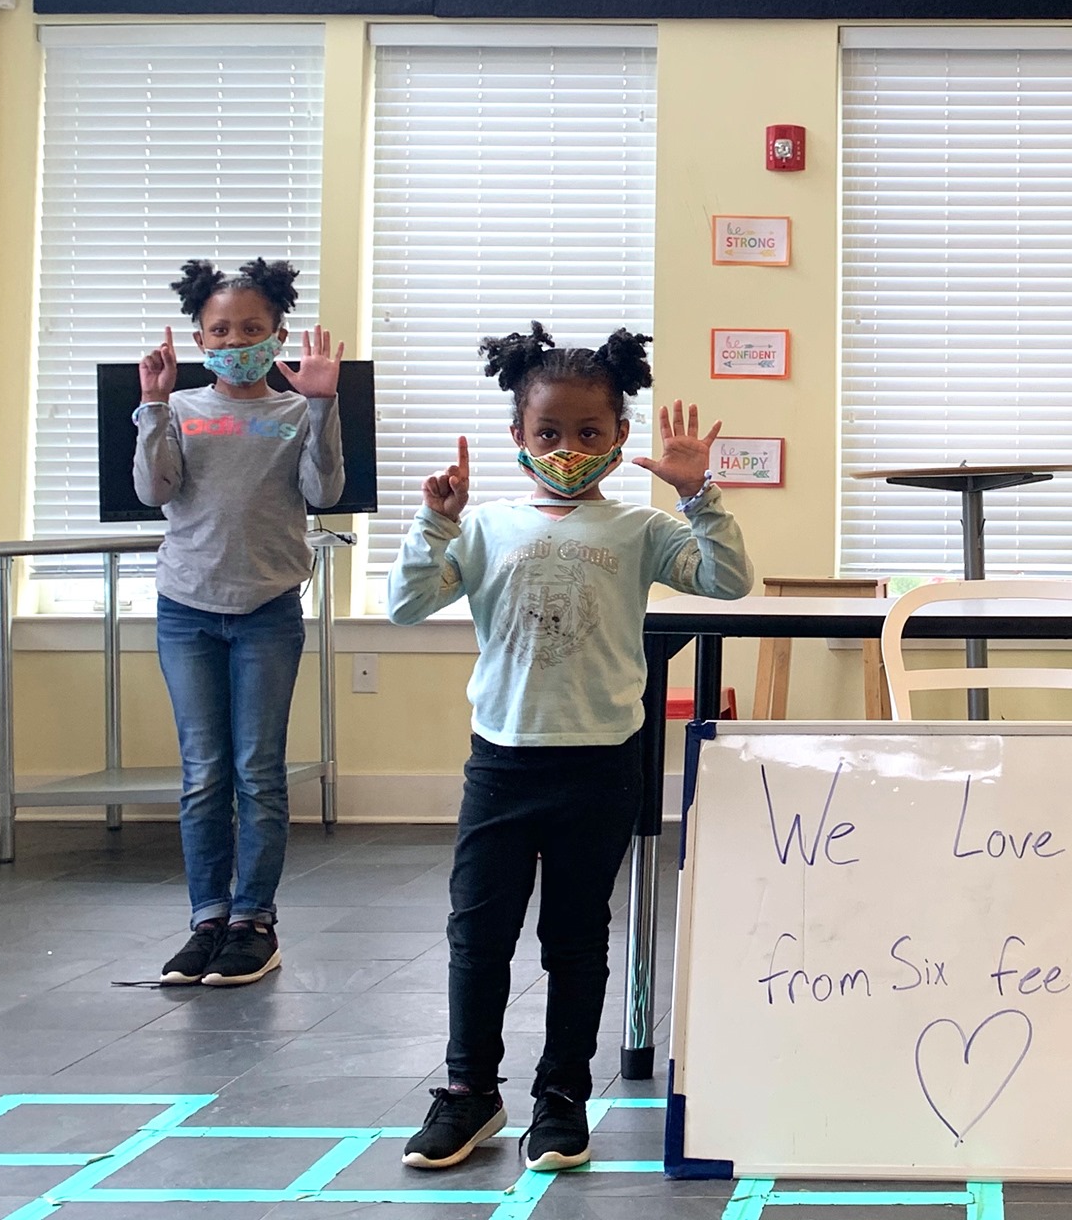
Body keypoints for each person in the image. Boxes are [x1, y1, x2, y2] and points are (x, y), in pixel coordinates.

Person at [388, 323, 752, 1175]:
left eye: (590, 432)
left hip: (600, 763)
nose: (567, 448)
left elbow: (727, 582)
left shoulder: (637, 530)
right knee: (478, 934)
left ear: (620, 440)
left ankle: (562, 1098)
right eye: (548, 432)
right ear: (519, 435)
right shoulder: (483, 530)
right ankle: (470, 1092)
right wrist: (434, 525)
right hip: (503, 763)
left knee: (578, 939)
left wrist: (701, 497)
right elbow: (407, 606)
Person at [135, 258, 345, 988]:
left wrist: (321, 406)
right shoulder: (184, 409)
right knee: (202, 775)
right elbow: (153, 489)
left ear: (278, 333)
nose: (236, 339)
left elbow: (324, 489)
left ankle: (254, 920)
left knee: (258, 773)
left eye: (252, 328)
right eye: (221, 329)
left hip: (267, 614)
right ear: (199, 337)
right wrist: (154, 407)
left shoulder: (292, 412)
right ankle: (206, 918)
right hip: (186, 613)